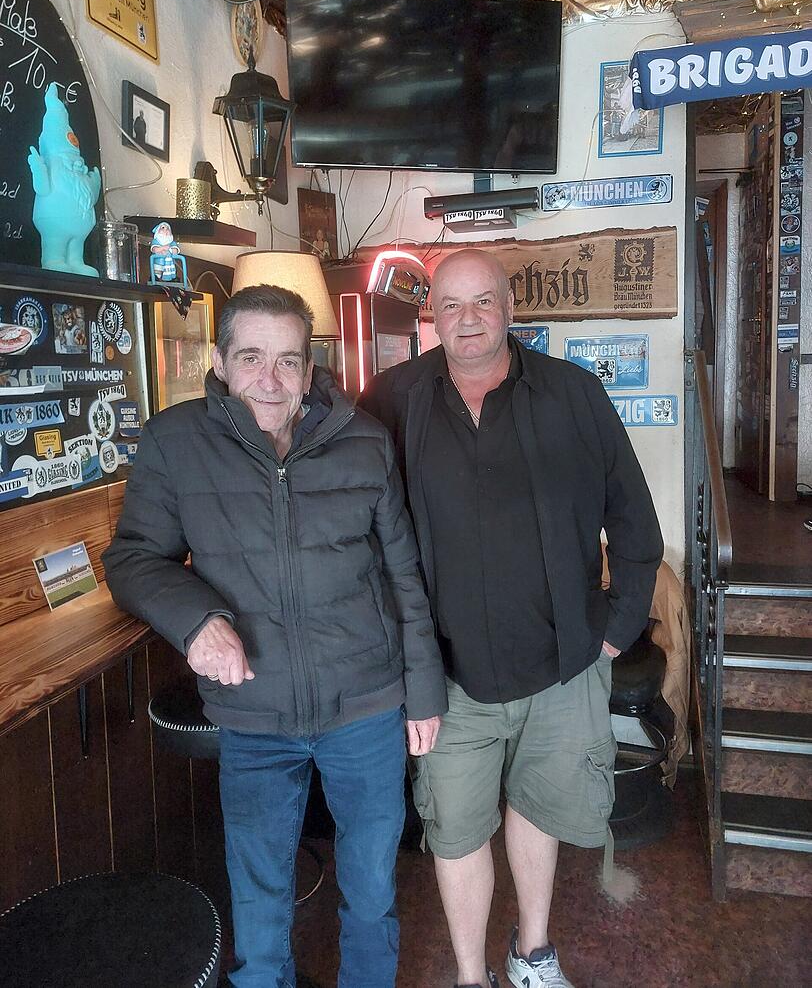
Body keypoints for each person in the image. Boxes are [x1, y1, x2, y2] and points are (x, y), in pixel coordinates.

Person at [103, 284, 447, 988]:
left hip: (367, 705)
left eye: (288, 360)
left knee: (372, 891)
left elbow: (404, 576)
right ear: (220, 362)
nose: (271, 378)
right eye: (251, 357)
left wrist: (424, 692)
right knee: (259, 909)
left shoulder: (364, 441)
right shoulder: (175, 441)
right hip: (255, 713)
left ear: (309, 368)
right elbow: (133, 558)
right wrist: (197, 619)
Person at [359, 249, 663, 988]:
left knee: (539, 806)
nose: (467, 319)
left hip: (562, 664)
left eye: (483, 301)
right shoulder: (390, 400)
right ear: (432, 316)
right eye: (450, 304)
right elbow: (357, 528)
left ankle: (533, 953)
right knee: (456, 827)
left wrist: (615, 629)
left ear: (509, 307)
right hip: (445, 676)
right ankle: (471, 976)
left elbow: (635, 522)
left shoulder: (575, 394)